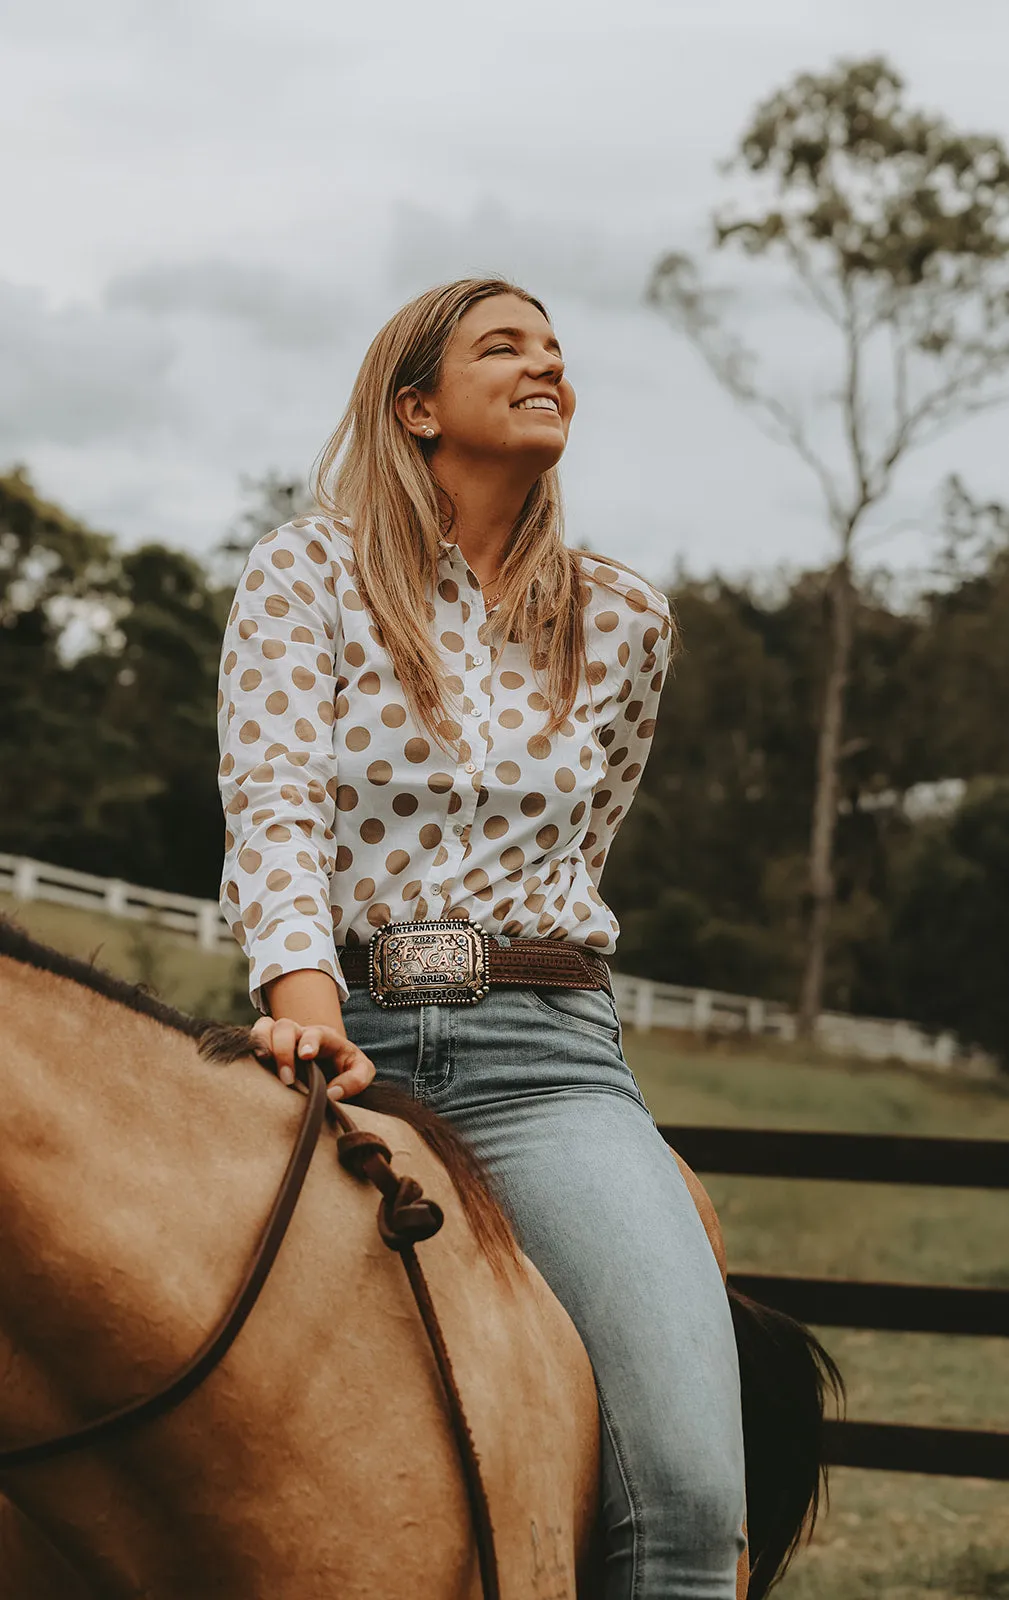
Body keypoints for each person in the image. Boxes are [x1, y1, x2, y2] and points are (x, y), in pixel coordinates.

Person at [217, 276, 746, 1596]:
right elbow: (273, 794)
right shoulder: (306, 573)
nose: (544, 366)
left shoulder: (623, 622)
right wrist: (306, 997)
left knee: (686, 1498)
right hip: (339, 1034)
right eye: (503, 347)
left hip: (545, 1064)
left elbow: (581, 846)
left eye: (557, 352)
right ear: (418, 408)